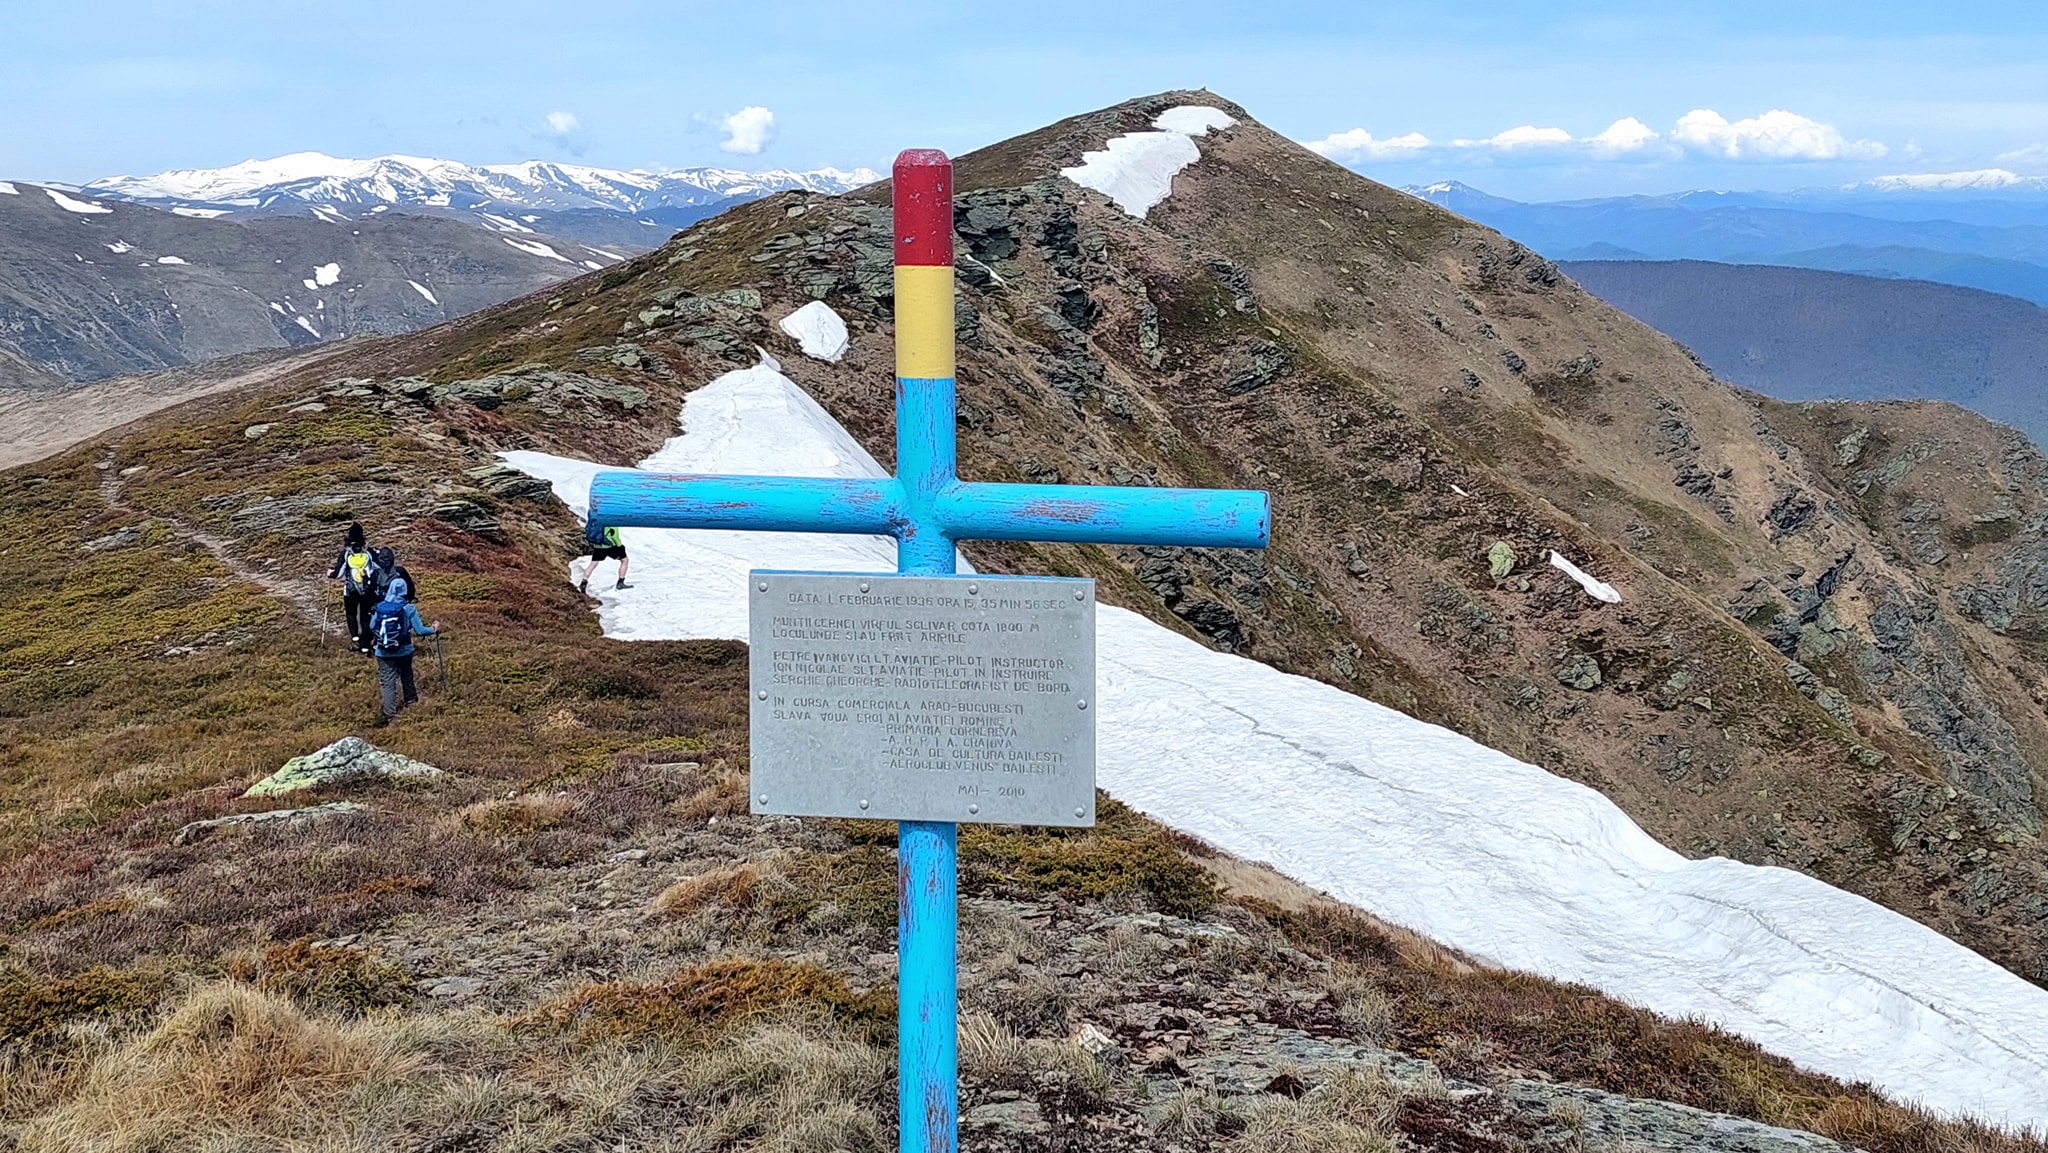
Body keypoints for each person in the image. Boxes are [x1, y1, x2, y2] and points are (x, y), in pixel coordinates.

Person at [368, 577, 440, 724]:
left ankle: (391, 716)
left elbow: (371, 625)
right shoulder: (409, 608)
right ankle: (411, 701)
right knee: (406, 674)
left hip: (382, 652)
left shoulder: (381, 607)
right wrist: (433, 629)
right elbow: (420, 631)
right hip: (404, 650)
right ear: (405, 591)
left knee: (387, 682)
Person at [326, 522, 378, 653]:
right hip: (367, 590)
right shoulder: (369, 552)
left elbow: (338, 574)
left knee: (351, 614)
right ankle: (366, 645)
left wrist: (330, 574)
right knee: (365, 617)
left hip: (350, 591)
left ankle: (355, 641)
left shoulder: (346, 553)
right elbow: (379, 568)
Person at [577, 523, 632, 593]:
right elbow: (614, 537)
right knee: (625, 560)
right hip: (610, 546)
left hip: (598, 546)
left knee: (593, 564)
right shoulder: (611, 522)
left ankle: (583, 582)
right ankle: (620, 582)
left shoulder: (596, 522)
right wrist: (619, 546)